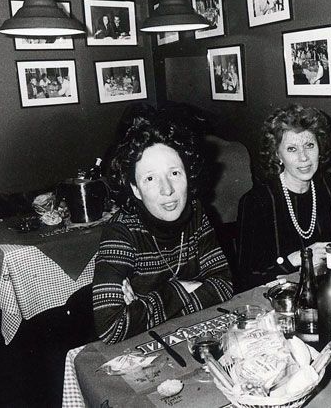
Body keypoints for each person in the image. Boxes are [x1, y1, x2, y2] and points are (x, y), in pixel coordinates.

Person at [92, 114, 234, 344]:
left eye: (174, 173)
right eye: (150, 178)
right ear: (136, 190)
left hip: (187, 338)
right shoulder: (120, 232)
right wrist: (181, 289)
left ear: (188, 175)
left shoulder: (196, 212)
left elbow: (224, 285)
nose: (167, 190)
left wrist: (144, 307)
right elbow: (111, 328)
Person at [236, 104, 331, 291]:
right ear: (277, 155)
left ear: (320, 147)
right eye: (292, 149)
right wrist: (296, 259)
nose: (304, 158)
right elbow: (246, 278)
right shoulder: (257, 202)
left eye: (309, 145)